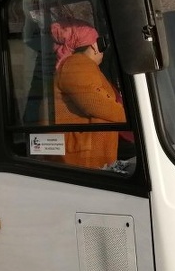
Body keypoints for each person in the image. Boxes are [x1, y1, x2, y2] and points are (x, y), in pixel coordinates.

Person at [52, 21, 127, 170]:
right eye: (102, 44)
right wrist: (134, 117)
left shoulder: (79, 65)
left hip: (86, 154)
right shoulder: (76, 65)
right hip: (84, 159)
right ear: (94, 45)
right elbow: (98, 104)